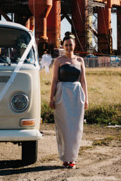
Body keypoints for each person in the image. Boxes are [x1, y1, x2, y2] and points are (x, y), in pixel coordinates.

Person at [49, 33, 88, 169]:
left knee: (76, 128)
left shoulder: (80, 60)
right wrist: (51, 98)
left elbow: (83, 81)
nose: (68, 47)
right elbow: (54, 81)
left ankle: (72, 158)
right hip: (62, 94)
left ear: (74, 45)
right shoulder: (59, 61)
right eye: (66, 45)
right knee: (64, 127)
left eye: (70, 44)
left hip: (77, 95)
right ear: (63, 46)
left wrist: (86, 98)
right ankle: (65, 158)